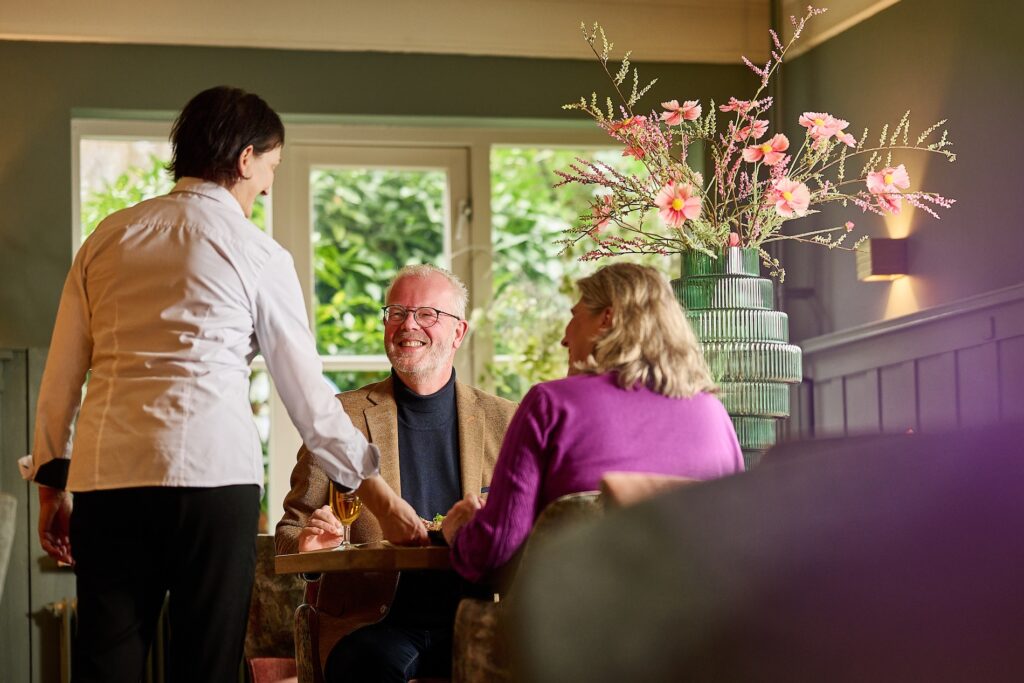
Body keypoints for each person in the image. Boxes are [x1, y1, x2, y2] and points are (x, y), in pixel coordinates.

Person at [18, 86, 425, 683]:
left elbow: (62, 374)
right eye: (271, 168)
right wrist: (381, 500)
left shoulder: (107, 238)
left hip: (110, 481)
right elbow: (308, 396)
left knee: (106, 665)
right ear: (244, 159)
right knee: (204, 665)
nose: (269, 184)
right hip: (212, 481)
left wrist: (53, 484)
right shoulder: (257, 253)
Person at [276, 264, 517, 682]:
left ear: (459, 332)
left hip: (474, 618)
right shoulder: (340, 416)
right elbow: (288, 533)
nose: (408, 325)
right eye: (397, 312)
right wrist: (310, 546)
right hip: (373, 625)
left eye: (427, 314)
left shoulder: (506, 420)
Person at [442, 262, 745, 582]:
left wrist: (459, 528)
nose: (564, 338)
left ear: (607, 318)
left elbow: (496, 546)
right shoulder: (714, 414)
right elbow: (738, 540)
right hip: (695, 627)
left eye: (574, 316)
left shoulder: (551, 404)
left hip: (577, 627)